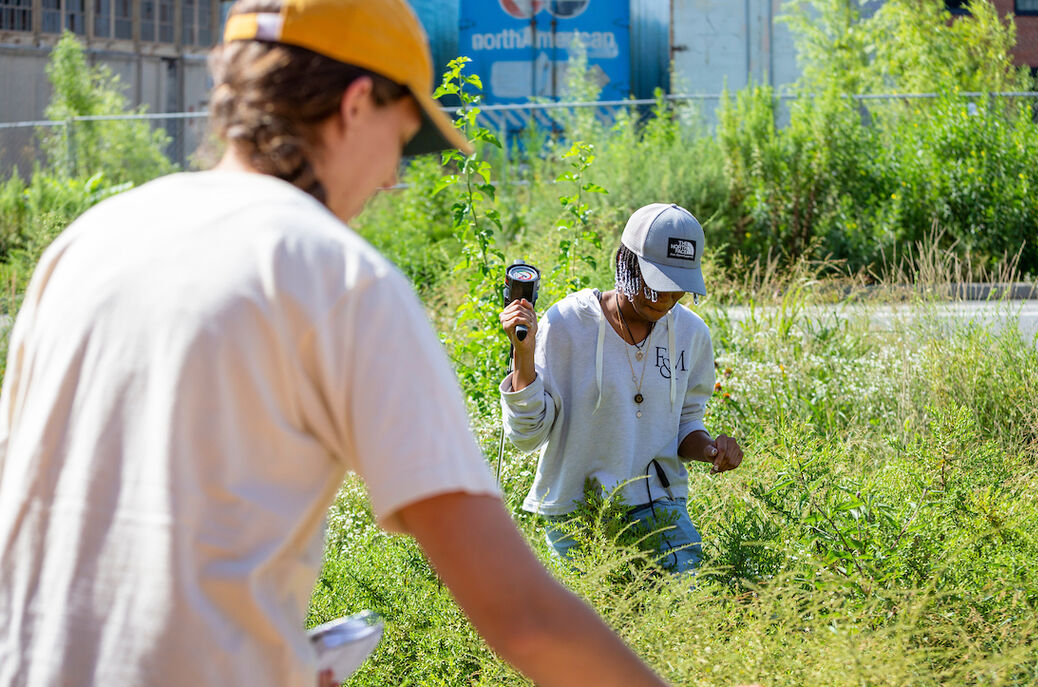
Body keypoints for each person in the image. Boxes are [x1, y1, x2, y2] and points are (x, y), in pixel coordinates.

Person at [0, 1, 669, 685]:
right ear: (355, 105)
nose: (389, 181)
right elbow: (521, 612)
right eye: (401, 143)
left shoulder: (86, 245)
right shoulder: (338, 280)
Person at [499, 203, 744, 574]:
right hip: (576, 513)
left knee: (687, 600)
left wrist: (710, 448)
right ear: (625, 264)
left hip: (661, 504)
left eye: (677, 286)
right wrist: (524, 353)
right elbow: (527, 436)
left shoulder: (692, 335)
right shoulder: (568, 323)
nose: (664, 298)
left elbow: (685, 423)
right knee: (591, 623)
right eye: (655, 282)